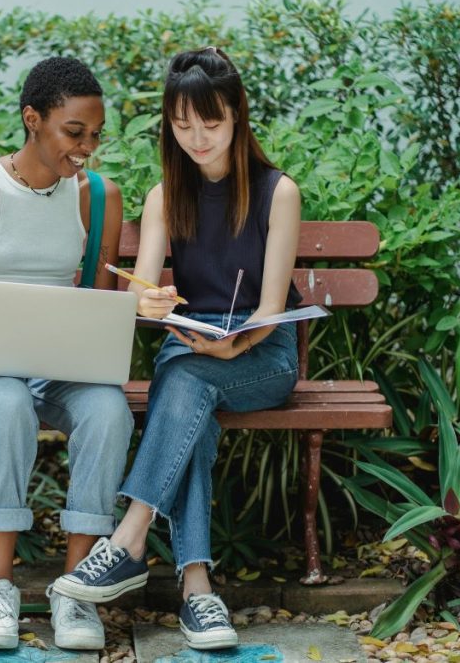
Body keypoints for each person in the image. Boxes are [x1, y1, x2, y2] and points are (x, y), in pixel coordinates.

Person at [52, 46, 302, 651]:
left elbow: (272, 309)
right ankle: (197, 591)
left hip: (262, 353)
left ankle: (129, 538)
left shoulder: (278, 192)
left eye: (210, 123)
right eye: (182, 124)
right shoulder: (166, 196)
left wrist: (235, 344)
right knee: (191, 405)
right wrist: (154, 302)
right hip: (192, 345)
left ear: (237, 115)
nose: (197, 137)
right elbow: (143, 295)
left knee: (184, 384)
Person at [0, 56, 133, 651]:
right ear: (32, 119)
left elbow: (99, 303)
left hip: (61, 353)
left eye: (95, 135)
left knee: (108, 411)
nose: (87, 147)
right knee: (8, 402)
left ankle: (74, 590)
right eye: (74, 132)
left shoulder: (97, 196)